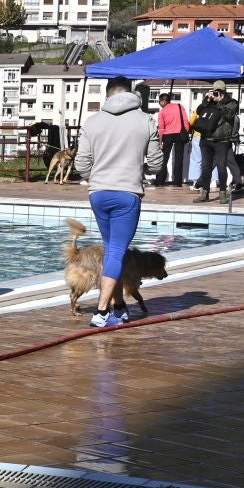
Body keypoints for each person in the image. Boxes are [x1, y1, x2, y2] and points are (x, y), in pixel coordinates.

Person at [73, 76, 164, 328]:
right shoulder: (146, 120)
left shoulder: (92, 122)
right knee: (115, 251)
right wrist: (138, 168)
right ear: (130, 93)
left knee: (113, 250)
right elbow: (157, 164)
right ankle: (101, 312)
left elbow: (81, 165)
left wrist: (98, 176)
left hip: (98, 193)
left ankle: (119, 307)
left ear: (108, 94)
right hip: (127, 194)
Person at [192, 81, 244, 202]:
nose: (216, 93)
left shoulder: (232, 103)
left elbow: (229, 115)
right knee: (205, 167)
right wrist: (206, 100)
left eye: (218, 91)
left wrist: (220, 102)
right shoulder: (208, 101)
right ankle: (204, 193)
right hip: (205, 139)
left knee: (221, 166)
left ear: (223, 92)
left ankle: (222, 194)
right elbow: (199, 111)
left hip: (222, 141)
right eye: (214, 91)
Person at [153, 91, 191, 188]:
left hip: (167, 135)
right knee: (179, 158)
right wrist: (185, 131)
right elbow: (186, 121)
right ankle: (177, 182)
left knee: (164, 158)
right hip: (179, 134)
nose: (159, 103)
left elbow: (161, 128)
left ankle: (160, 180)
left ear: (164, 101)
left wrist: (160, 142)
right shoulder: (179, 106)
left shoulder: (162, 112)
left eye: (159, 101)